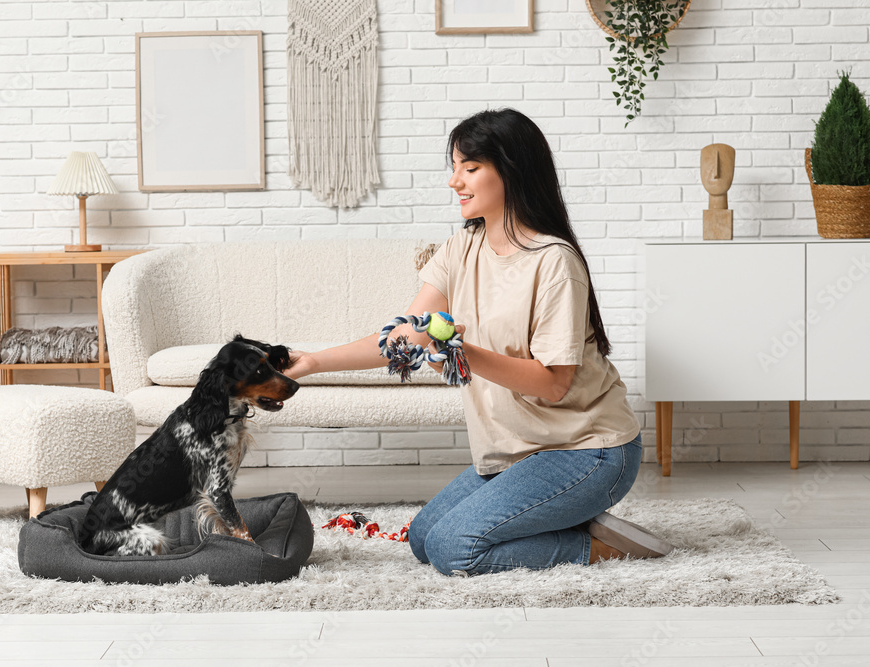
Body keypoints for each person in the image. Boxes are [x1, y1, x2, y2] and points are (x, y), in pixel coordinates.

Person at [286, 108, 673, 575]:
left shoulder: (554, 262)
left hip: (588, 451)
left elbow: (553, 384)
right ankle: (560, 519)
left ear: (511, 171)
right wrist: (312, 362)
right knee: (425, 538)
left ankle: (606, 548)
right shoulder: (461, 247)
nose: (455, 181)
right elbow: (406, 335)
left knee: (456, 550)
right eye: (454, 168)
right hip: (516, 454)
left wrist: (463, 353)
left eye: (470, 168)